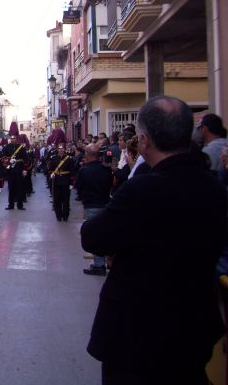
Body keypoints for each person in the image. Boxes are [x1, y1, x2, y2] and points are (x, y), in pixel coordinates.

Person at [81, 96, 227, 384]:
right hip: (195, 325)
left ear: (144, 140)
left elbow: (93, 237)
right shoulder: (214, 187)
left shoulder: (143, 189)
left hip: (138, 332)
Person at [75, 144, 113, 276]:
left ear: (88, 155)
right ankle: (107, 260)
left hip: (91, 205)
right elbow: (110, 184)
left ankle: (99, 264)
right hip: (105, 204)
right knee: (105, 233)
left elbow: (78, 188)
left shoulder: (84, 171)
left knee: (94, 235)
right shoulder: (106, 170)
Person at [49, 144, 74, 221]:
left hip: (66, 182)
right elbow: (50, 170)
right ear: (57, 150)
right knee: (57, 200)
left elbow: (72, 172)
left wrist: (71, 183)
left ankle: (65, 215)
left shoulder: (69, 159)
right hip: (56, 182)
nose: (61, 150)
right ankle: (58, 215)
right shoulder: (53, 158)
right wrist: (52, 174)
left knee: (66, 200)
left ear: (65, 149)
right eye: (59, 148)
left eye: (62, 148)